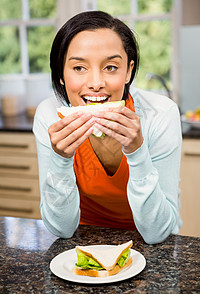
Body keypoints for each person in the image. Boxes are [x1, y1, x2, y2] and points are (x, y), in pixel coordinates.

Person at [33, 11, 182, 244]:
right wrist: (61, 159)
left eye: (111, 67)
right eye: (79, 68)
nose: (95, 83)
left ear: (129, 71)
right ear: (61, 73)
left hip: (146, 242)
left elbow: (158, 232)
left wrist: (137, 151)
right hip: (82, 241)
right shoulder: (49, 116)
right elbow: (60, 228)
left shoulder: (161, 115)